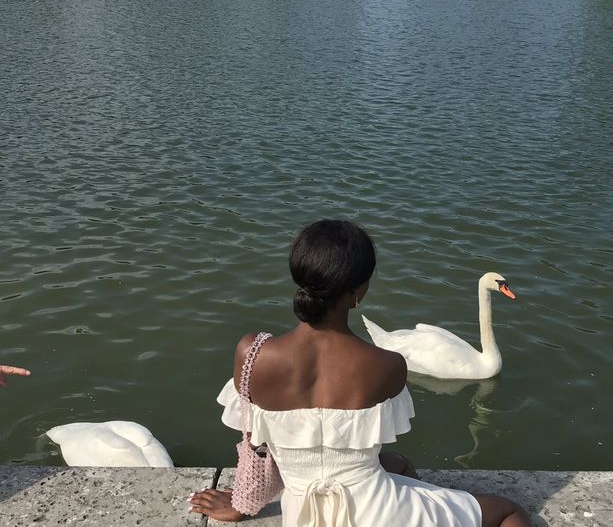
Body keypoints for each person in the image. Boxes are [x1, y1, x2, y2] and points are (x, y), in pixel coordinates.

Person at [189, 220, 530, 527]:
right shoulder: (388, 366)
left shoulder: (252, 354)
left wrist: (242, 505)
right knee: (508, 511)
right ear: (359, 291)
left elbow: (260, 445)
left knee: (397, 464)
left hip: (301, 514)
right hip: (376, 512)